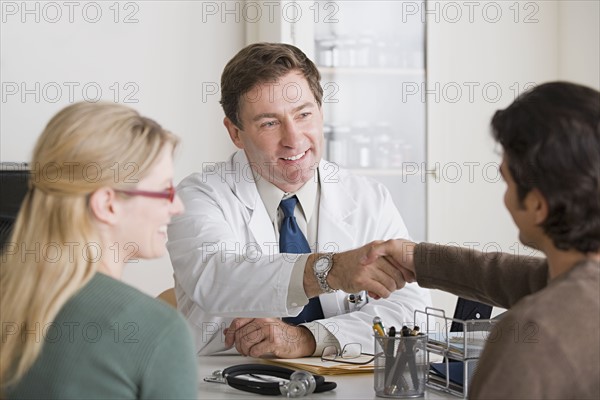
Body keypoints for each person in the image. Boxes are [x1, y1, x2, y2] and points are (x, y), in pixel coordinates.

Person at [167, 42, 431, 358]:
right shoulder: (201, 196)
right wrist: (330, 270)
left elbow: (410, 311)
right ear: (236, 133)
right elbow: (216, 276)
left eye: (303, 114)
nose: (293, 139)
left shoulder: (368, 198)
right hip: (226, 383)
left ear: (321, 112)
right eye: (269, 123)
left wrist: (308, 338)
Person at [366, 82, 600, 399]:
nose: (503, 198)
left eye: (506, 181)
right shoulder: (578, 288)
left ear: (537, 206)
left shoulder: (533, 335)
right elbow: (522, 277)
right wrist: (419, 259)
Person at [0, 102, 198, 398]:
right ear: (107, 204)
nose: (178, 206)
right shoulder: (157, 332)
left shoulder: (12, 297)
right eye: (165, 191)